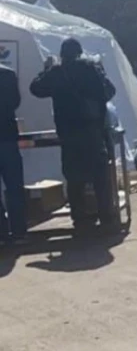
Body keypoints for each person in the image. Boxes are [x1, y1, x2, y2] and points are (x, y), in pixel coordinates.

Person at [29, 38, 118, 233]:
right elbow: (110, 91)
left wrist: (46, 68)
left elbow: (35, 88)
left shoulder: (57, 72)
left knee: (74, 177)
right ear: (79, 52)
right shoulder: (91, 68)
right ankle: (106, 217)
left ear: (62, 54)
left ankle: (80, 219)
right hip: (92, 130)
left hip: (68, 132)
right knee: (100, 176)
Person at [0, 63, 26, 244]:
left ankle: (1, 233)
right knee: (15, 188)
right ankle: (19, 232)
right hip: (7, 136)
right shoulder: (8, 74)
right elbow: (16, 102)